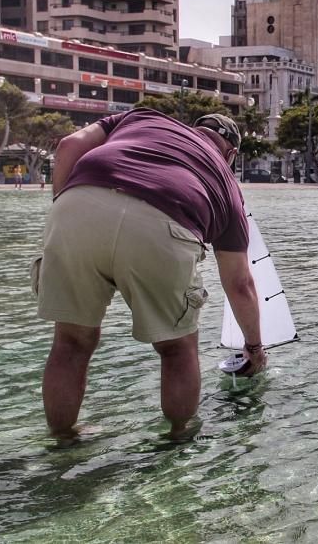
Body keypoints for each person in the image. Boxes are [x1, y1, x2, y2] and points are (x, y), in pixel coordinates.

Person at [34, 108, 267, 443]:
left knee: (70, 343)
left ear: (191, 128)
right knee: (176, 348)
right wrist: (254, 347)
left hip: (77, 206)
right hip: (162, 224)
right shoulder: (227, 184)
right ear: (230, 154)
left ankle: (62, 439)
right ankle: (177, 440)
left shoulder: (143, 117)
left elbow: (69, 145)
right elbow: (240, 283)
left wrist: (63, 208)